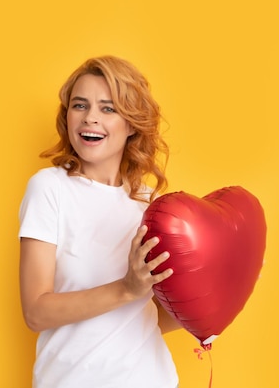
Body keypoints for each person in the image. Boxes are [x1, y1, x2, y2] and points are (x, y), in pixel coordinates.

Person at [18, 56, 180, 388]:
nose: (90, 117)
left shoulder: (149, 205)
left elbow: (144, 320)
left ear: (132, 123)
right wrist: (126, 289)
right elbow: (35, 312)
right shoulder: (50, 188)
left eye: (108, 108)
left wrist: (222, 297)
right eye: (80, 105)